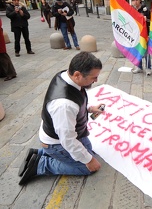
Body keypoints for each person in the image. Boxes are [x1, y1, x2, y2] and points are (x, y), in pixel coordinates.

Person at [18, 52, 103, 185]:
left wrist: (89, 109)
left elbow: (73, 110)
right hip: (56, 142)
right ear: (77, 75)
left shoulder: (65, 75)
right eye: (94, 77)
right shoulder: (64, 105)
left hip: (63, 131)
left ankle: (40, 153)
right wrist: (88, 161)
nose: (96, 81)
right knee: (88, 167)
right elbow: (68, 140)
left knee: (89, 152)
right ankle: (41, 164)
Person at [130, 0, 152, 75]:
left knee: (146, 51)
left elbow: (150, 21)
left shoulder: (145, 9)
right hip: (136, 34)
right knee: (137, 50)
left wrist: (145, 19)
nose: (134, 2)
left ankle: (148, 68)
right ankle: (139, 67)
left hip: (145, 33)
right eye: (133, 0)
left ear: (139, 0)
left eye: (136, 0)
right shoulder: (132, 9)